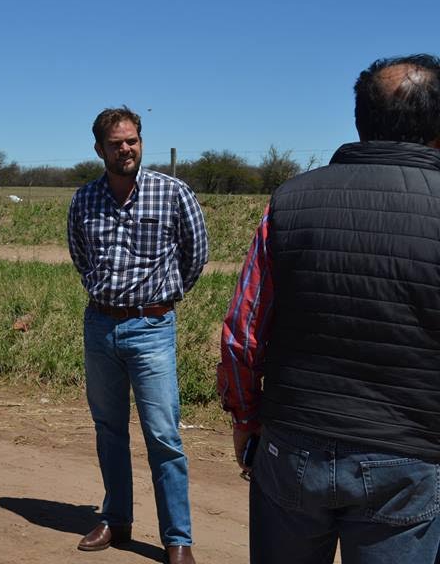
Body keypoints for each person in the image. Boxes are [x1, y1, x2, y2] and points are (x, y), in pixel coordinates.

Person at [218, 54, 440, 564]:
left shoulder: (291, 199)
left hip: (293, 446)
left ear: (361, 120)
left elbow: (242, 332)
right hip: (409, 459)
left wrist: (246, 418)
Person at [67, 106, 207, 564]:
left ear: (140, 141)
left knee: (163, 435)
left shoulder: (172, 193)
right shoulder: (85, 200)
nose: (125, 149)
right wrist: (106, 295)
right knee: (108, 429)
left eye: (132, 140)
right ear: (99, 149)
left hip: (152, 327)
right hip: (101, 324)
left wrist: (163, 299)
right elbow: (80, 255)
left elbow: (196, 253)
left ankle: (178, 538)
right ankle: (116, 518)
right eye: (115, 143)